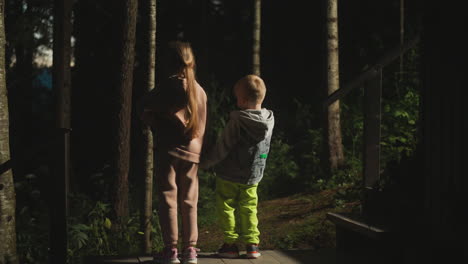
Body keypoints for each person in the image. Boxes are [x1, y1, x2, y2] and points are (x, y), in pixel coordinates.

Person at [139, 41, 207, 264]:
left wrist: (154, 120)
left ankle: (171, 251)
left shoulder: (164, 87)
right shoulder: (200, 91)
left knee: (168, 198)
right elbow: (203, 125)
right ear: (192, 62)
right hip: (193, 154)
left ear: (168, 64)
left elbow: (145, 108)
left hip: (167, 151)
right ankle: (191, 251)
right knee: (190, 201)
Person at [200, 74, 274, 259]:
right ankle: (252, 245)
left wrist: (205, 163)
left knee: (226, 205)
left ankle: (230, 245)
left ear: (241, 100)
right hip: (253, 175)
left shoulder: (237, 122)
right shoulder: (269, 120)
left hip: (228, 174)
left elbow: (222, 147)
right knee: (249, 207)